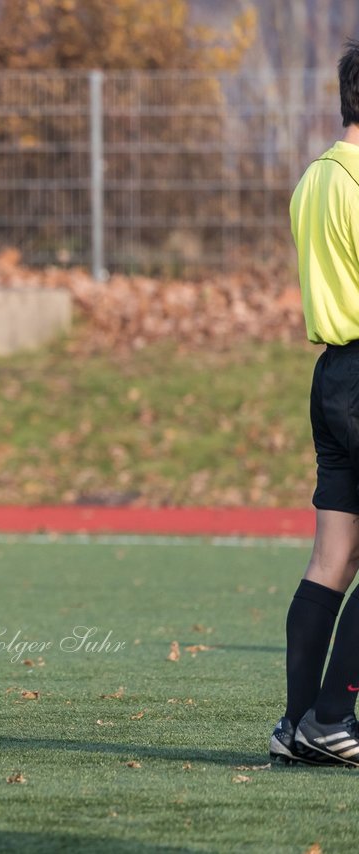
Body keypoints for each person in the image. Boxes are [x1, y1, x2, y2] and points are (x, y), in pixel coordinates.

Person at [273, 39, 359, 766]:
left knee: (333, 555)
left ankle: (296, 725)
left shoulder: (315, 178)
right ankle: (332, 718)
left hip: (333, 375)